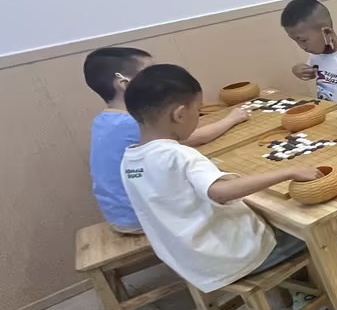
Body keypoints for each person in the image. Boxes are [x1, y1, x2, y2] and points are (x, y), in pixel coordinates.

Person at [119, 63, 337, 299]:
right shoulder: (178, 155)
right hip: (234, 258)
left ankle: (303, 293)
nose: (198, 118)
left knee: (272, 217)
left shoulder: (130, 161)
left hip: (191, 262)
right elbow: (220, 192)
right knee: (326, 228)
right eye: (197, 112)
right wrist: (287, 172)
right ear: (178, 115)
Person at [85, 47, 249, 235]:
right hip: (141, 217)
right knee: (239, 202)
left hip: (119, 214)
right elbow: (197, 137)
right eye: (149, 73)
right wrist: (231, 119)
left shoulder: (104, 120)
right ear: (124, 84)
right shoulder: (133, 123)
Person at [280, 0, 337, 106]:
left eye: (303, 40)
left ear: (326, 31)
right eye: (295, 41)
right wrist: (298, 70)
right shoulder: (316, 54)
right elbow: (311, 73)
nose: (302, 46)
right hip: (327, 111)